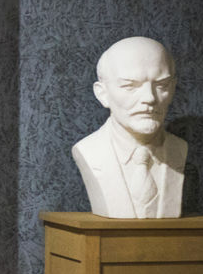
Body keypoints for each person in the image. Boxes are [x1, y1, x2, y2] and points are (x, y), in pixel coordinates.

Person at [71, 36, 186, 218]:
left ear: (172, 88)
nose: (149, 98)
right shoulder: (89, 151)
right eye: (130, 86)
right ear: (102, 93)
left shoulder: (179, 150)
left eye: (161, 85)